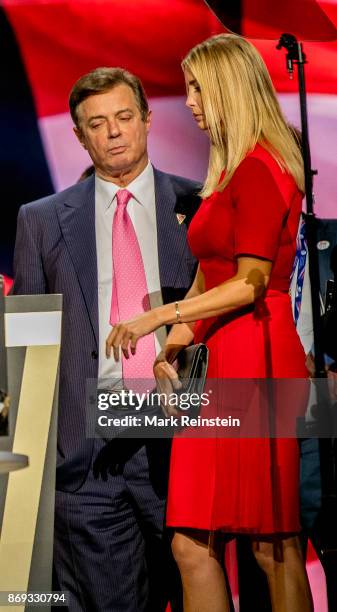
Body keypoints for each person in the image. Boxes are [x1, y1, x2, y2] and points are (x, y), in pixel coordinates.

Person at [106, 35, 314, 611]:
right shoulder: (227, 172)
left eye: (199, 87)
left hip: (257, 355)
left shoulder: (263, 167)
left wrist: (158, 313)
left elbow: (249, 281)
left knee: (274, 545)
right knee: (192, 542)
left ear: (229, 87)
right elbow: (209, 275)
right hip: (220, 355)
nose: (190, 100)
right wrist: (174, 343)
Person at [12, 67, 200, 611]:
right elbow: (30, 347)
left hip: (180, 439)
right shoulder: (41, 220)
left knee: (196, 593)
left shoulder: (199, 206)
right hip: (87, 459)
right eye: (98, 123)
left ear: (146, 119)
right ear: (80, 135)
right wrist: (39, 469)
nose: (114, 132)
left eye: (123, 117)